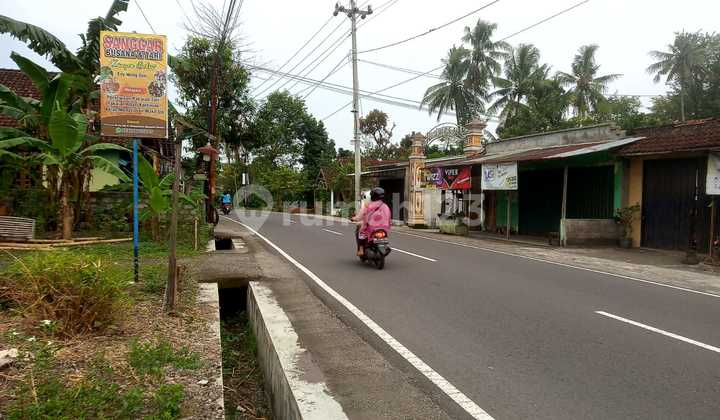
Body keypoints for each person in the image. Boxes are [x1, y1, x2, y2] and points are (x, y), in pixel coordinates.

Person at [352, 187, 391, 256]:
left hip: (371, 228)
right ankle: (385, 246)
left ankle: (361, 250)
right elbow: (389, 217)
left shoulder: (368, 206)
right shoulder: (385, 206)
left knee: (361, 233)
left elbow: (360, 216)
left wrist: (354, 218)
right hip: (384, 228)